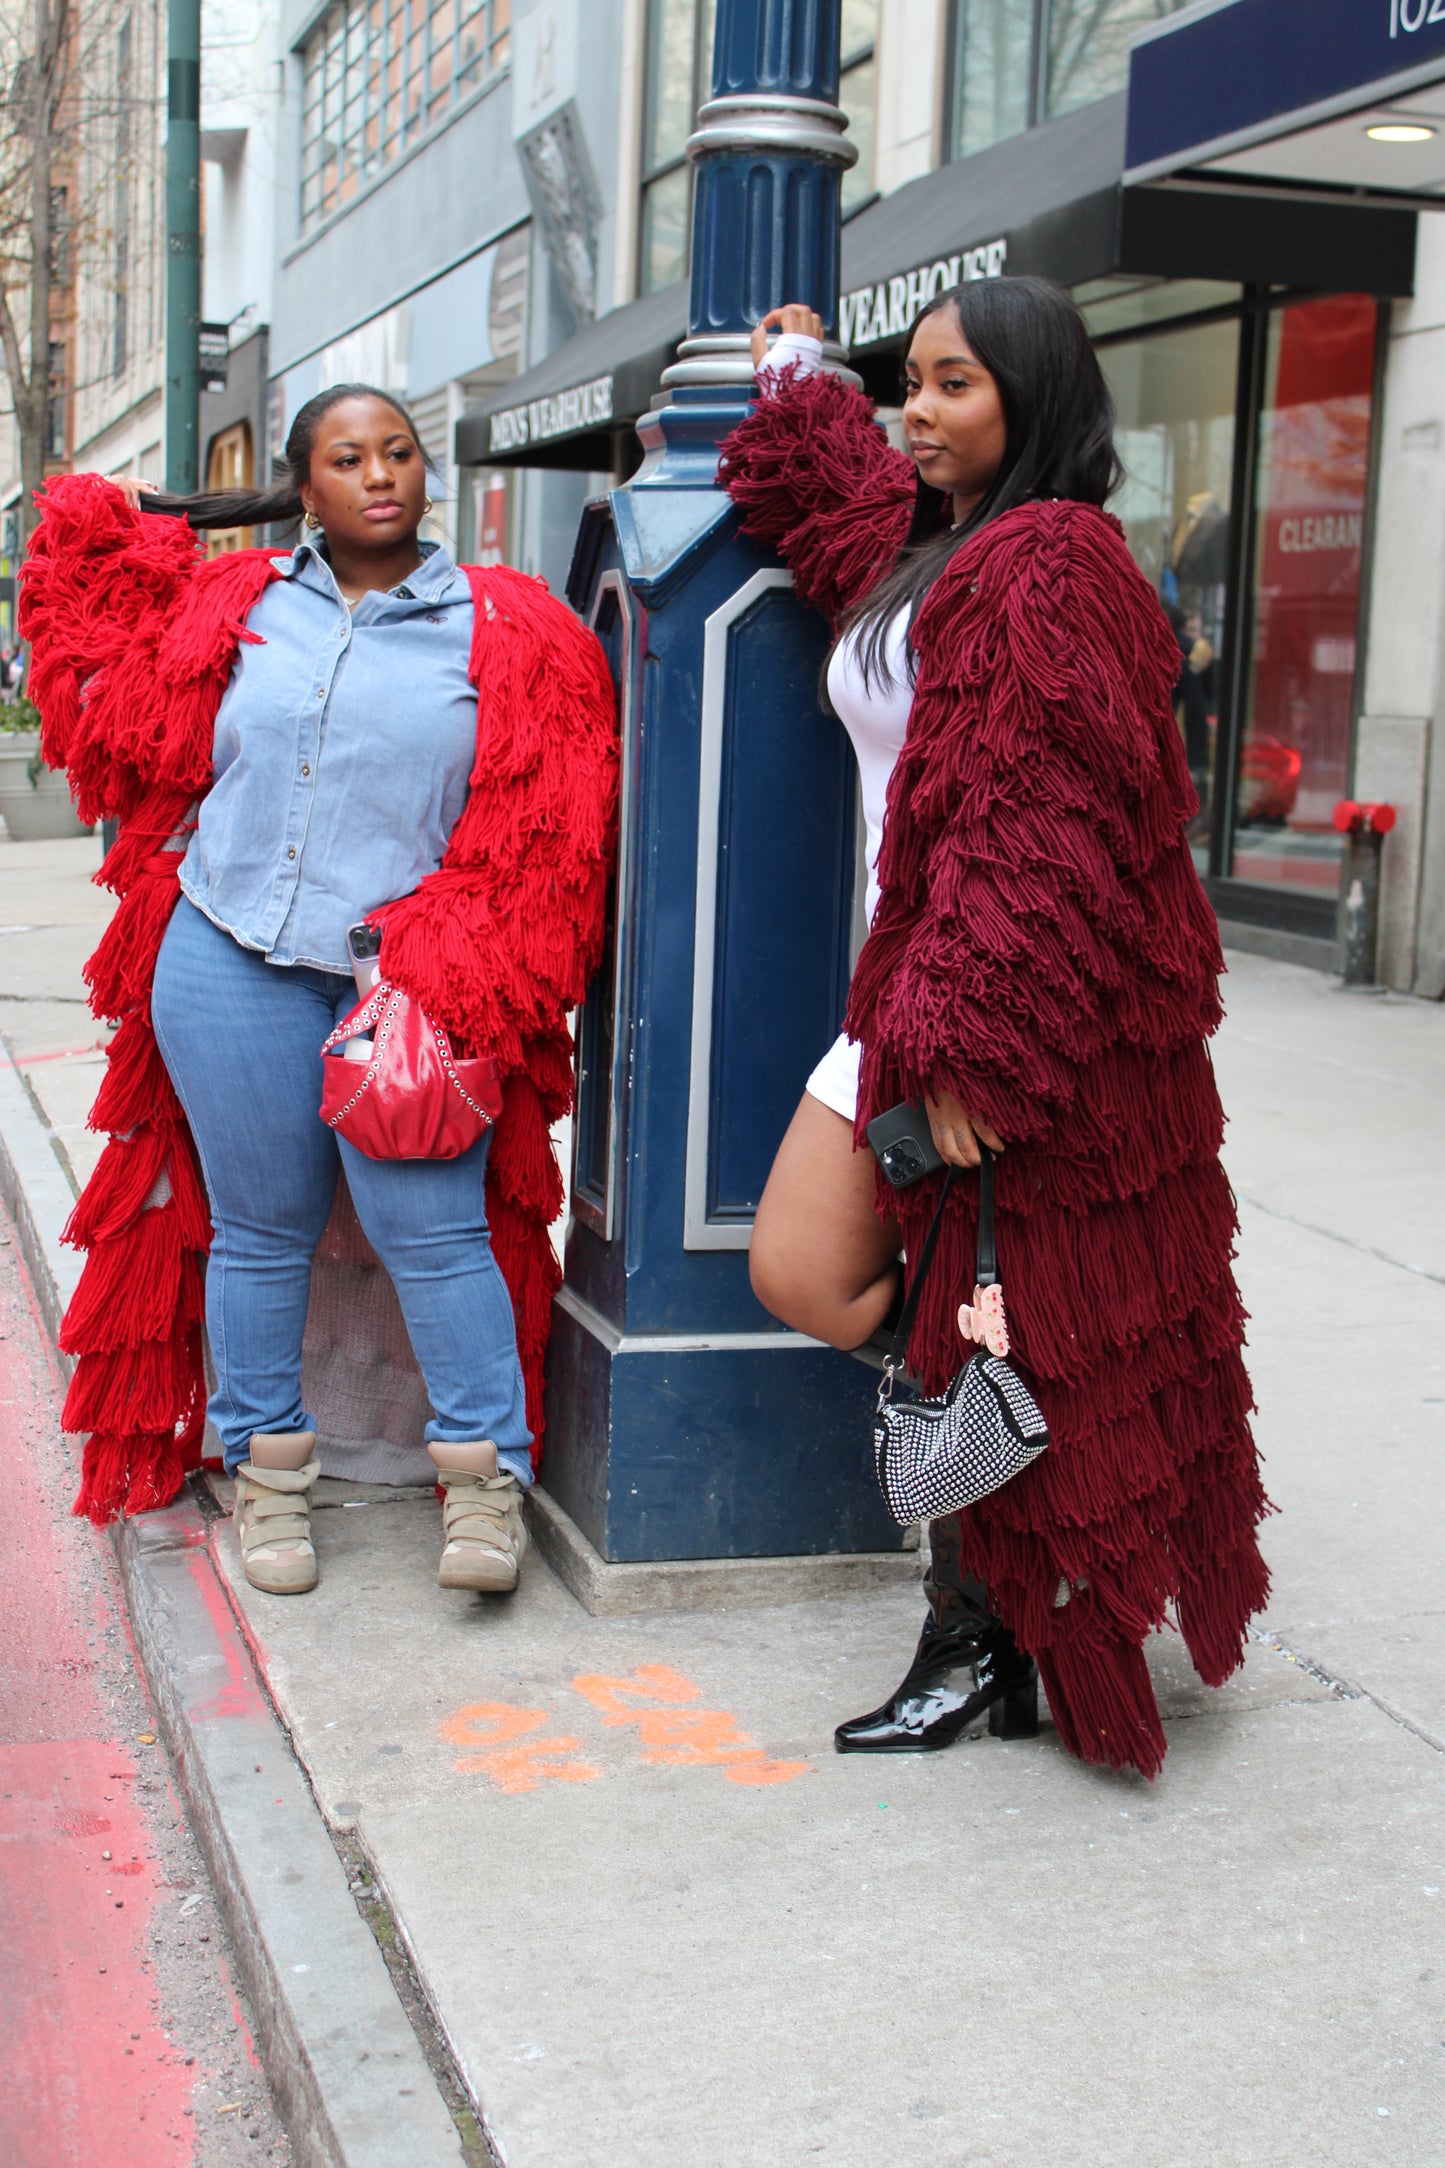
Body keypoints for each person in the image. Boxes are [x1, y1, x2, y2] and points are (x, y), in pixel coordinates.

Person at [718, 282, 1269, 1780]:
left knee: (943, 1302)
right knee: (830, 1278)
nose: (918, 408)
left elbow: (1050, 821)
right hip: (912, 993)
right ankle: (1036, 1506)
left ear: (1034, 394)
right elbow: (833, 504)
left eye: (953, 383)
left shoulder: (1057, 555)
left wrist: (977, 1043)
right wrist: (791, 375)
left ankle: (980, 1637)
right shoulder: (930, 546)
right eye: (909, 381)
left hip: (1001, 1019)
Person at [20, 384, 617, 1598]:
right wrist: (127, 507)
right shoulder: (234, 602)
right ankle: (269, 1480)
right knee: (257, 1235)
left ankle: (482, 1487)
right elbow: (90, 641)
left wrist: (446, 949)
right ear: (305, 486)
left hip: (399, 989)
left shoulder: (504, 625)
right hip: (225, 955)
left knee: (433, 1234)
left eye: (398, 452)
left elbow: (549, 832)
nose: (380, 474)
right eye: (347, 458)